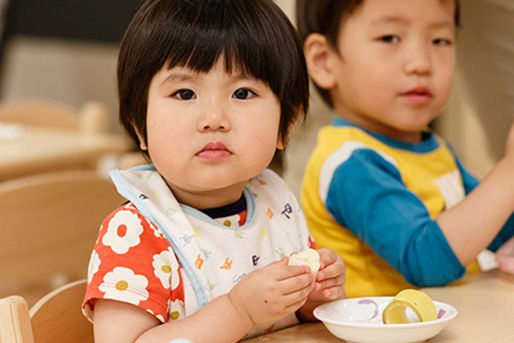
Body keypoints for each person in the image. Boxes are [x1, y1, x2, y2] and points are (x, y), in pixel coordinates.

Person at [82, 0, 346, 342]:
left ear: (287, 125)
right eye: (185, 93)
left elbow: (298, 321)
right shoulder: (135, 233)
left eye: (242, 92)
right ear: (139, 125)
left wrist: (312, 296)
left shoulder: (274, 204)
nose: (214, 120)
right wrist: (239, 310)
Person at [297, 0, 514, 298]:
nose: (421, 63)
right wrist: (509, 172)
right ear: (324, 60)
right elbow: (425, 261)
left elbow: (498, 226)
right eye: (390, 38)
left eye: (440, 40)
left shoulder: (434, 148)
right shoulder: (349, 162)